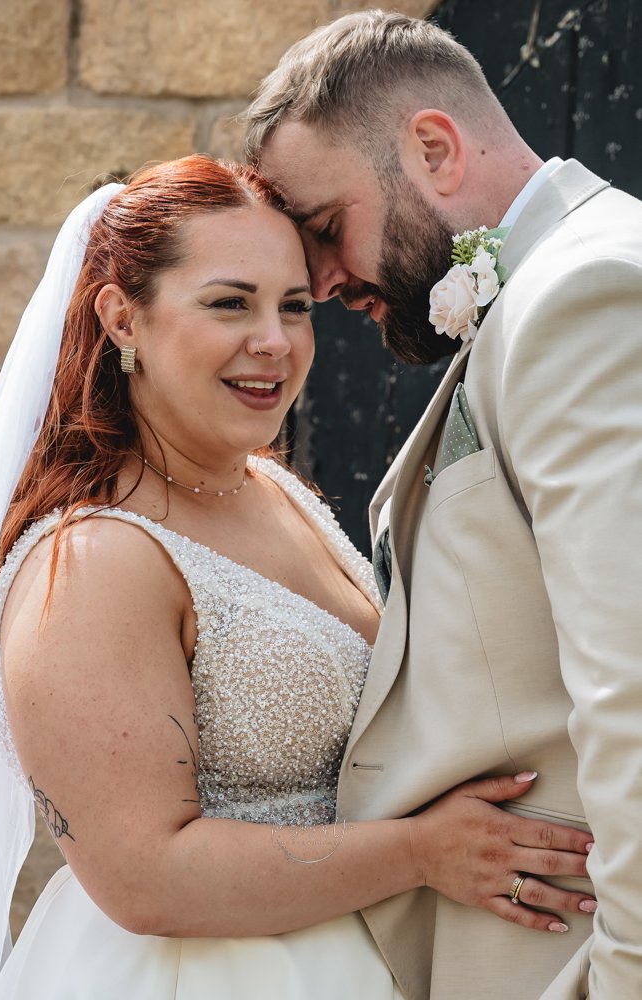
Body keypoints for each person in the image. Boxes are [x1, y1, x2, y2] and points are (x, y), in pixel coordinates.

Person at [0, 154, 596, 1000]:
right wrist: (423, 853)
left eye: (294, 306)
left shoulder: (271, 489)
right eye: (230, 303)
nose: (274, 341)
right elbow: (145, 877)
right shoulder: (91, 560)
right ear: (122, 320)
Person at [244, 10, 642, 1000]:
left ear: (432, 147)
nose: (319, 283)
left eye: (324, 229)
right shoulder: (553, 287)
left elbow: (632, 684)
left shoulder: (584, 294)